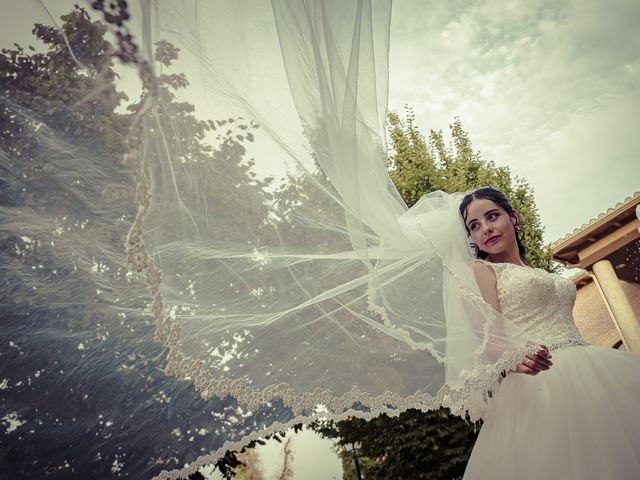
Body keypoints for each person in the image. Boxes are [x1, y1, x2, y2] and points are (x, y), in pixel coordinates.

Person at [459, 187, 640, 479]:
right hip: (540, 384)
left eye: (492, 216)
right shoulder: (482, 270)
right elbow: (487, 337)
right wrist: (514, 357)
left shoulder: (537, 273)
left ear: (513, 217)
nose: (485, 229)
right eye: (474, 226)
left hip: (590, 369)